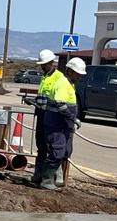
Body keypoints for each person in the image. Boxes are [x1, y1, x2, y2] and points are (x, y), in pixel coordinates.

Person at [33, 52, 83, 190]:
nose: (79, 77)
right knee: (53, 150)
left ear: (51, 63)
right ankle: (45, 179)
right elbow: (59, 103)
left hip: (58, 121)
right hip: (54, 121)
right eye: (77, 74)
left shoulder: (60, 79)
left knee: (60, 150)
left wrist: (71, 119)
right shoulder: (61, 82)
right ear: (70, 71)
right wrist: (72, 118)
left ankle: (50, 178)